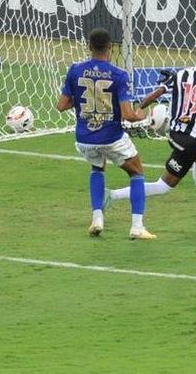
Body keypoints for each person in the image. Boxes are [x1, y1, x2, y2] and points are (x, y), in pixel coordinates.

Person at [105, 42, 196, 213]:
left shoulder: (181, 73)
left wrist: (140, 108)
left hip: (178, 134)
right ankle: (112, 195)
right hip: (189, 141)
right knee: (164, 186)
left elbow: (156, 94)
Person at [56, 28, 155, 240]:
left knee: (97, 167)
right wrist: (141, 116)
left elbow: (61, 105)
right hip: (111, 137)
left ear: (89, 47)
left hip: (84, 139)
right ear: (110, 48)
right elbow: (128, 115)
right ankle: (137, 226)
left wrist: (83, 99)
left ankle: (97, 219)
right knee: (136, 172)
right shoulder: (119, 75)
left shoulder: (75, 70)